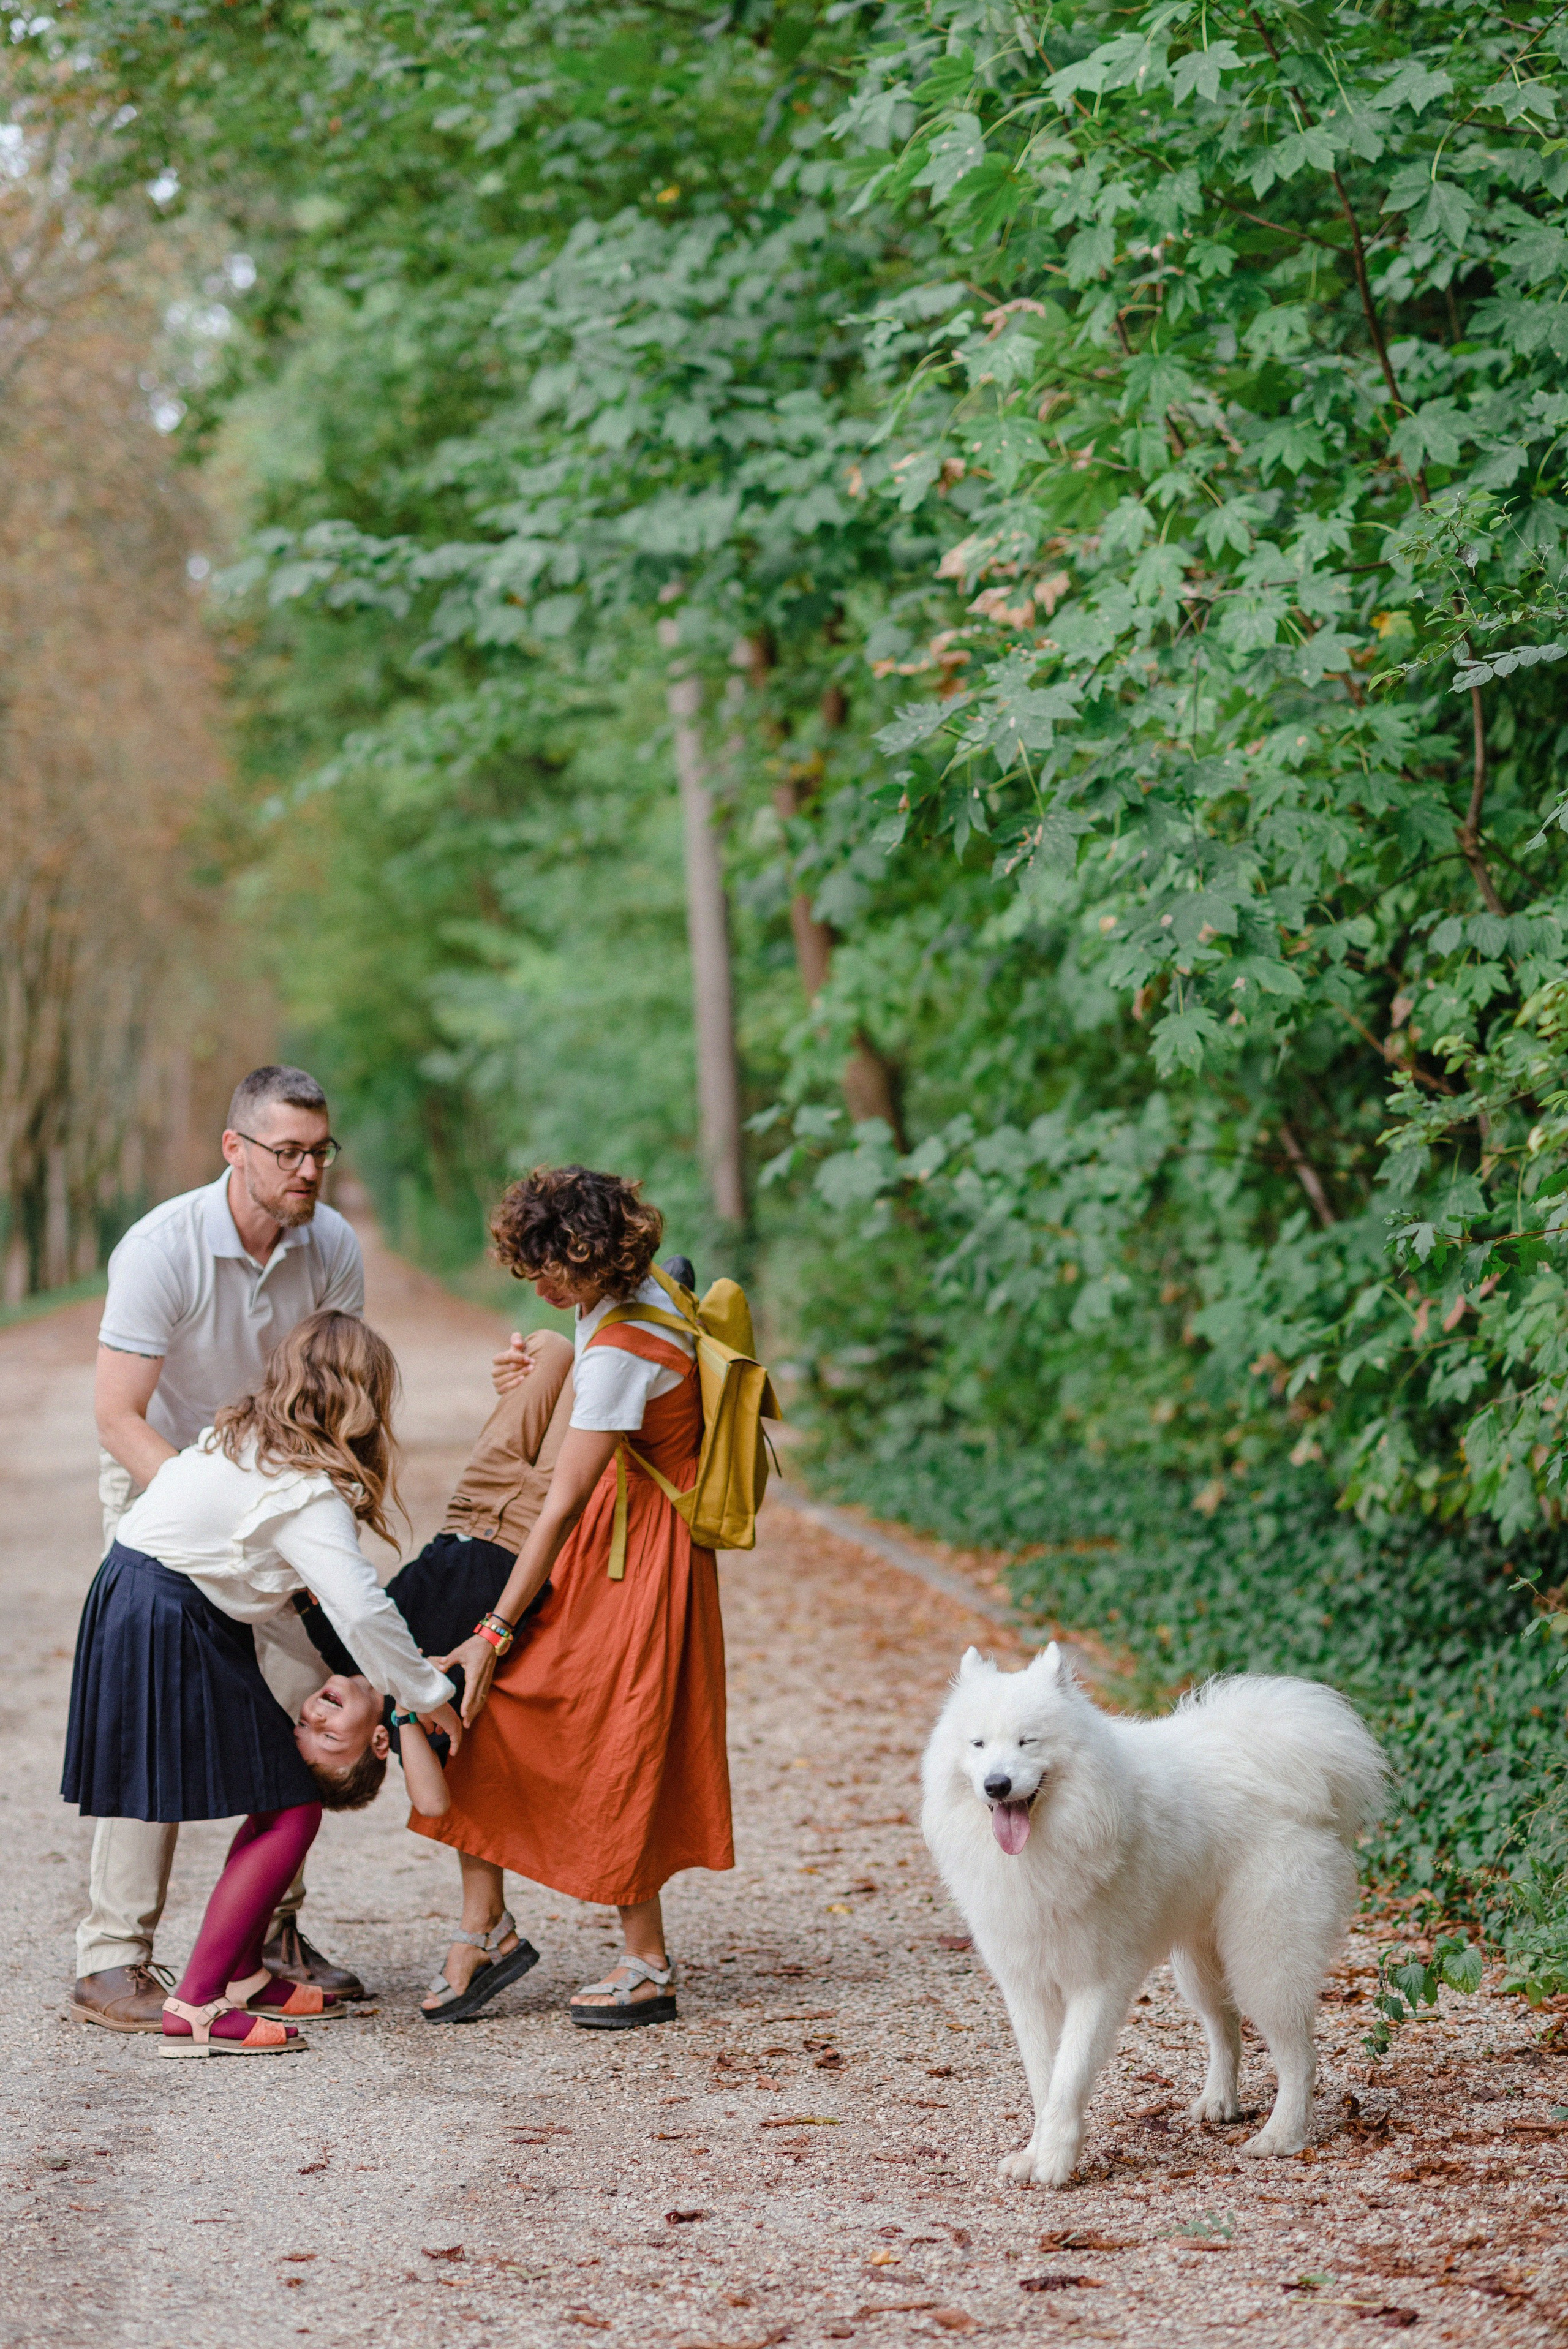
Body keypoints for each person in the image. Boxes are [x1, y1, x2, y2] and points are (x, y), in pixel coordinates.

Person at [60, 1311, 461, 2056]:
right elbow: (362, 1607)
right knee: (291, 1810)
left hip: (152, 1596)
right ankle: (201, 2007)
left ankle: (243, 1975)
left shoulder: (245, 1441)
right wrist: (428, 1697)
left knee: (279, 1789)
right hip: (166, 1612)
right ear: (366, 1402)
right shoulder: (304, 1491)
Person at [75, 1064, 367, 2033]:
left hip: (276, 1493)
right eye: (287, 1150)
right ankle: (113, 1955)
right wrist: (212, 1513)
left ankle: (265, 1938)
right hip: (166, 1487)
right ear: (235, 1148)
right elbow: (119, 1416)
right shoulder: (162, 1247)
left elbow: (339, 1396)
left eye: (320, 1150)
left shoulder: (332, 1247)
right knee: (150, 1699)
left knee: (305, 1698)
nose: (308, 1168)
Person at [413, 1166, 734, 2029]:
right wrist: (534, 1383)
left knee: (610, 1734)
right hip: (622, 1539)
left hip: (635, 1562)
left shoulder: (628, 1343)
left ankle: (644, 1963)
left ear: (594, 1260)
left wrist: (492, 1627)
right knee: (510, 1718)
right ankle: (490, 1928)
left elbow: (561, 1499)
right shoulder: (630, 1295)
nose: (542, 1287)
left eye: (552, 1271)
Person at [292, 1320, 578, 2019]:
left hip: (469, 1506)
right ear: (380, 1743)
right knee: (596, 1376)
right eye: (330, 1735)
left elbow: (290, 1582)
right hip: (527, 1530)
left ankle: (592, 1317)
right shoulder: (415, 1709)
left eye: (306, 1720)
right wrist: (403, 1716)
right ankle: (657, 1309)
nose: (316, 1712)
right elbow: (434, 1804)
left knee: (551, 1348)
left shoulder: (336, 1646)